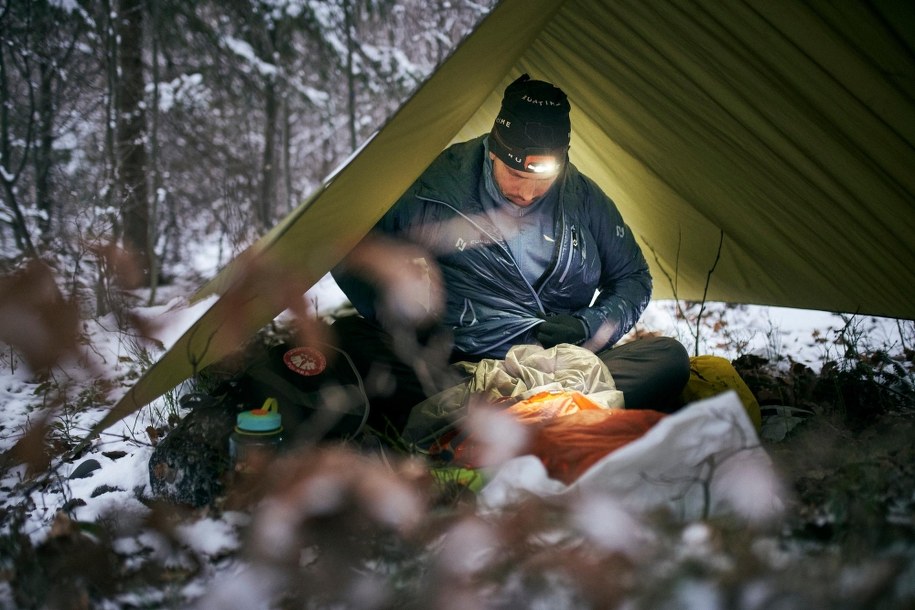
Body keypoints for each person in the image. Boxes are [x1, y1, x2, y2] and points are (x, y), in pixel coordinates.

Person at [331, 74, 690, 435]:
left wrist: (588, 325)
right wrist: (404, 318)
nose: (528, 192)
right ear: (493, 150)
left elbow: (633, 277)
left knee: (668, 358)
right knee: (347, 338)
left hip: (563, 367)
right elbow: (353, 247)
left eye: (544, 177)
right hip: (461, 365)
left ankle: (500, 422)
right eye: (515, 174)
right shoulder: (436, 187)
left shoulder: (582, 198)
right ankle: (544, 420)